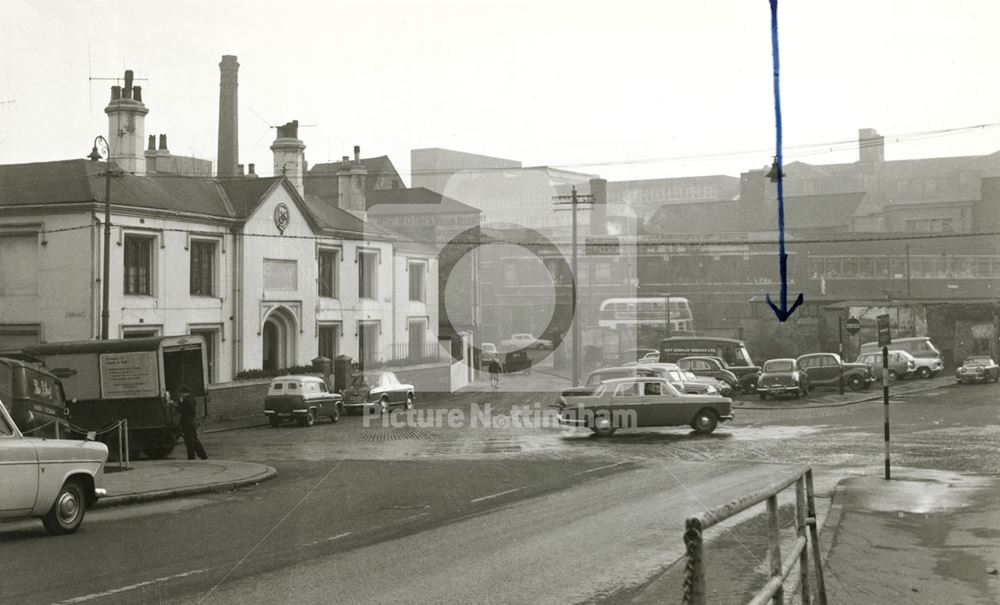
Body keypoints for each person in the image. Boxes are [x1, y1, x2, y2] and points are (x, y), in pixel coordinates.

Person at [174, 385, 207, 460]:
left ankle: (191, 456)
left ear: (184, 393)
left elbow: (182, 410)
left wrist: (179, 403)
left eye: (181, 393)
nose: (180, 394)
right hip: (192, 422)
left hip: (187, 422)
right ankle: (203, 454)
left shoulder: (185, 401)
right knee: (194, 439)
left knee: (189, 441)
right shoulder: (192, 399)